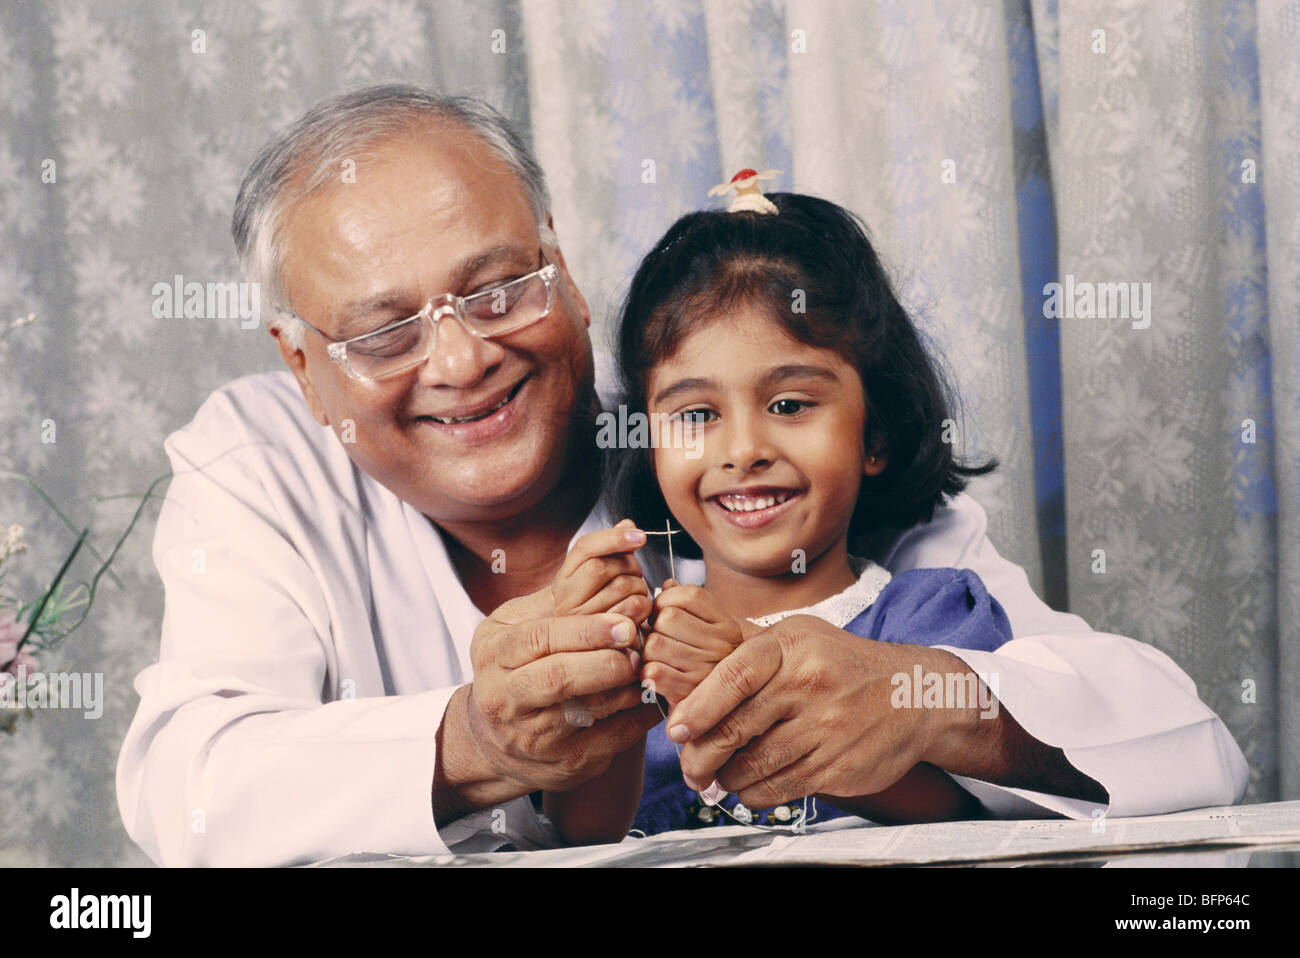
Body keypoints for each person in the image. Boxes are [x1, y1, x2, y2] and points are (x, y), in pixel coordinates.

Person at [116, 85, 1248, 867]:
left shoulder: (735, 451)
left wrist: (910, 700)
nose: (461, 360)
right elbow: (188, 783)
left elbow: (1179, 740)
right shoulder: (257, 459)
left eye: (497, 286)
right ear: (303, 365)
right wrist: (480, 740)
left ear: (558, 261)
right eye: (384, 332)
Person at [546, 191, 1021, 842]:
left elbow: (963, 821)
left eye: (791, 405)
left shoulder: (931, 619)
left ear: (875, 434)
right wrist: (600, 674)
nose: (743, 452)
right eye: (696, 416)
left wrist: (749, 688)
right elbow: (580, 841)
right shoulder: (650, 645)